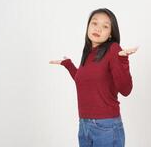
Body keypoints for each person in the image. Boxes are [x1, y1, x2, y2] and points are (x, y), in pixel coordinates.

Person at [49, 8, 138, 147]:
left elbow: (126, 90)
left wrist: (122, 61)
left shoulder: (113, 49)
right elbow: (84, 82)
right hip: (84, 125)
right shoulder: (88, 53)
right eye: (94, 23)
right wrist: (69, 65)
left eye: (105, 26)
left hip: (106, 127)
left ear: (110, 33)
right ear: (88, 27)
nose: (98, 28)